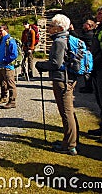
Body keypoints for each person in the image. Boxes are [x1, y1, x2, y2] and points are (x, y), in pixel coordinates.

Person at [35, 14, 79, 156]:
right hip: (67, 79)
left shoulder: (59, 42)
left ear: (59, 28)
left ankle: (70, 145)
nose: (49, 28)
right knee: (68, 111)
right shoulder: (65, 39)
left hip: (62, 80)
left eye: (52, 26)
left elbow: (56, 63)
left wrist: (41, 65)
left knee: (66, 112)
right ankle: (68, 141)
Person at [88, 5, 102, 144]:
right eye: (98, 13)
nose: (98, 15)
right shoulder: (100, 28)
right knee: (100, 99)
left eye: (101, 13)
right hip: (97, 68)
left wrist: (94, 61)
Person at [0, 24, 18, 109]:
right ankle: (3, 97)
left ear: (6, 30)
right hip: (0, 65)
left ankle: (12, 101)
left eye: (1, 30)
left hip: (7, 66)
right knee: (2, 83)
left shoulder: (10, 40)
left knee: (10, 83)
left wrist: (5, 60)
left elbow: (14, 54)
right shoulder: (1, 41)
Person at [79, 19, 96, 93]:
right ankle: (88, 86)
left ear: (89, 26)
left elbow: (79, 38)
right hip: (88, 53)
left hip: (88, 54)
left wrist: (72, 31)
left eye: (85, 24)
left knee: (87, 70)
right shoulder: (88, 33)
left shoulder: (89, 34)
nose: (83, 25)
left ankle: (89, 88)